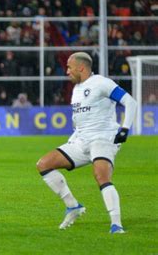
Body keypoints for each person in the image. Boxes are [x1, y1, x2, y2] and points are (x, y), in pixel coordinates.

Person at [36, 52, 137, 234]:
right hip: (81, 141)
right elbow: (81, 119)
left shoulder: (101, 83)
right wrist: (75, 137)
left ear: (80, 67)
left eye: (69, 67)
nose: (67, 71)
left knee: (101, 176)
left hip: (102, 139)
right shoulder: (76, 89)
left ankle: (116, 225)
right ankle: (73, 206)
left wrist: (125, 128)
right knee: (44, 164)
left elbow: (130, 102)